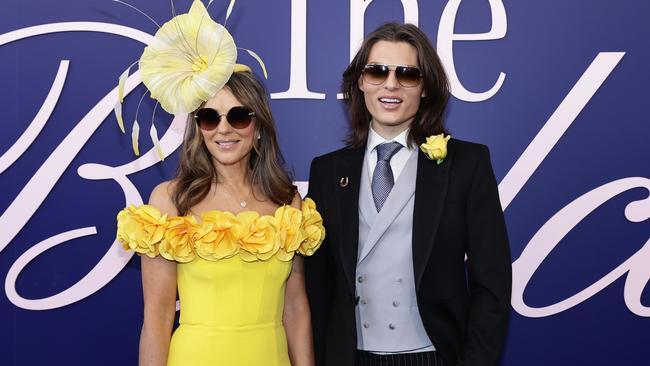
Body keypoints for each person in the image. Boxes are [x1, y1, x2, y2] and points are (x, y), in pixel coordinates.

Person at [115, 2, 324, 365]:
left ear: (258, 127)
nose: (224, 128)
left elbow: (295, 309)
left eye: (239, 116)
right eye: (210, 117)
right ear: (198, 128)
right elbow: (158, 317)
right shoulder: (169, 201)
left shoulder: (287, 202)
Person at [305, 23, 511, 366]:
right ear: (360, 82)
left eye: (407, 74)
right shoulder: (327, 171)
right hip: (351, 357)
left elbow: (492, 283)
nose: (391, 84)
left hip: (432, 356)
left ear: (426, 87)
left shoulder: (467, 164)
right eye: (377, 71)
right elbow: (317, 287)